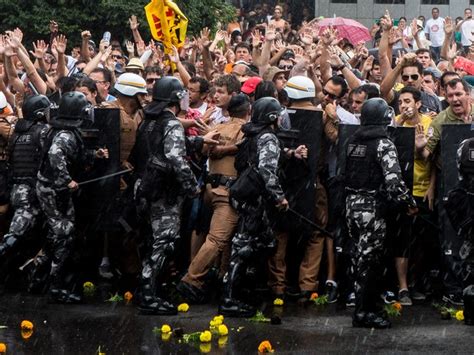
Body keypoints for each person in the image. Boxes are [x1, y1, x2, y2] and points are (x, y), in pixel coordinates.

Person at [345, 98, 417, 329]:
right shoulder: (384, 144)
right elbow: (394, 182)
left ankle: (362, 309)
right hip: (371, 209)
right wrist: (409, 202)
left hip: (351, 206)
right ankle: (366, 313)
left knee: (358, 259)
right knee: (371, 263)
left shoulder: (353, 142)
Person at [131, 77, 201, 315]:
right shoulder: (170, 123)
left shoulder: (148, 122)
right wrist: (192, 186)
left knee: (149, 240)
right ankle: (149, 295)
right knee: (163, 242)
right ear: (174, 97)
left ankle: (145, 290)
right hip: (163, 192)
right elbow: (176, 160)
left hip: (144, 188)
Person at [219, 97, 288, 317]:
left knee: (266, 242)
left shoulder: (252, 133)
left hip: (246, 196)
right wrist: (279, 197)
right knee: (242, 248)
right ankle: (229, 298)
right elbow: (267, 170)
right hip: (254, 200)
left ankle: (247, 285)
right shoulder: (268, 137)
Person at [36, 92, 109, 303]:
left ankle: (42, 276)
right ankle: (54, 285)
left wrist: (94, 155)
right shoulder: (65, 135)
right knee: (64, 233)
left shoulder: (58, 130)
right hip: (53, 189)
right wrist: (67, 179)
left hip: (53, 188)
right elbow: (55, 155)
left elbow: (73, 155)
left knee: (60, 232)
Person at [178, 93, 249, 303]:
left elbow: (203, 150)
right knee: (217, 238)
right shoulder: (244, 131)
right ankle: (191, 279)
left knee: (222, 238)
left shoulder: (217, 128)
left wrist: (216, 144)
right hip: (226, 192)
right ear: (248, 111)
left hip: (210, 188)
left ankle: (221, 275)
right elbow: (243, 147)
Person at [0, 95, 50, 287]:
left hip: (17, 189)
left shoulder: (18, 133)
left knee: (27, 236)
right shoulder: (42, 132)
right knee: (16, 235)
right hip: (31, 191)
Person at [444, 137, 474, 326]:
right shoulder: (465, 145)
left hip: (467, 213)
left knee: (469, 267)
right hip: (467, 210)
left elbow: (460, 173)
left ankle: (471, 314)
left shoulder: (465, 145)